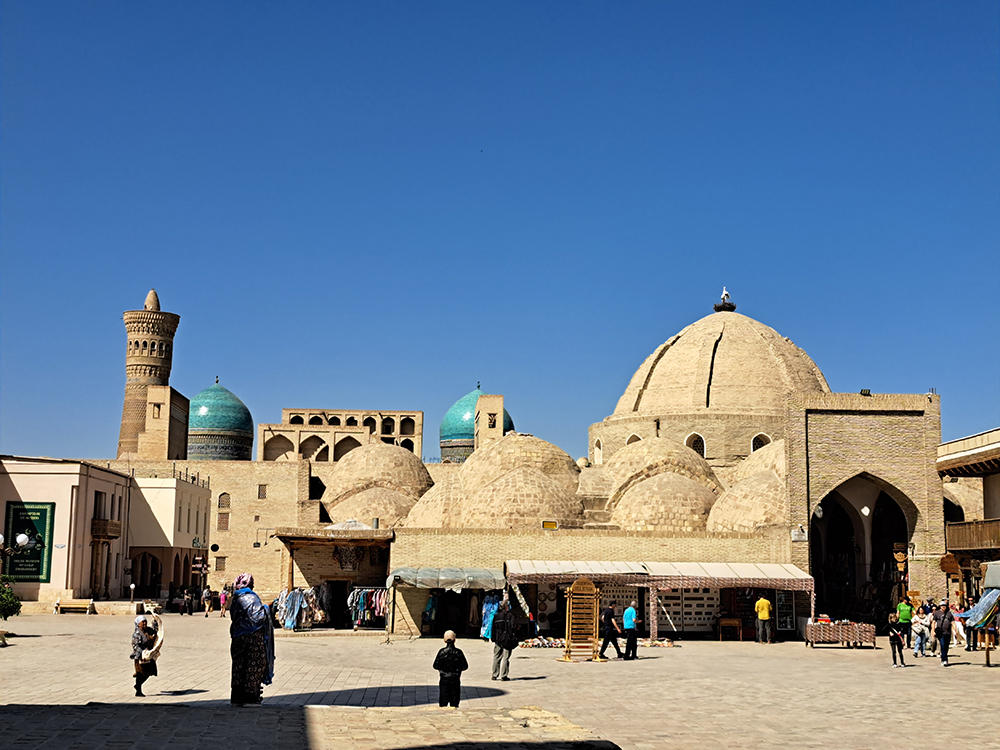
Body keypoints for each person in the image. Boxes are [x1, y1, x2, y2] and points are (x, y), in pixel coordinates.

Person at [228, 572, 275, 706]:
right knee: (254, 665)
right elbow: (258, 617)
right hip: (253, 637)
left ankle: (237, 697)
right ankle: (250, 697)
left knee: (238, 666)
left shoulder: (235, 599)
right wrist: (266, 607)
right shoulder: (252, 598)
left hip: (237, 636)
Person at [433, 630, 468, 708]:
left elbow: (435, 665)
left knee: (443, 700)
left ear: (444, 640)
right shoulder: (458, 652)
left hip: (444, 679)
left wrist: (443, 669)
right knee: (454, 702)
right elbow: (465, 666)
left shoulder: (442, 652)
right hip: (455, 679)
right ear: (454, 640)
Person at [130, 614, 163, 697]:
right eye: (143, 622)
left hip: (149, 655)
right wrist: (142, 654)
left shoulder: (148, 630)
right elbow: (135, 646)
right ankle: (138, 690)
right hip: (140, 656)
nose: (144, 623)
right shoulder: (137, 634)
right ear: (138, 624)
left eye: (145, 622)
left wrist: (155, 620)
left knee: (149, 672)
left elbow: (155, 631)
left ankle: (138, 685)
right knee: (140, 673)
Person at [490, 600, 518, 681]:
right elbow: (513, 627)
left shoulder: (496, 616)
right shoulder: (510, 616)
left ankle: (494, 674)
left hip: (498, 639)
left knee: (496, 657)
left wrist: (493, 638)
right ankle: (504, 675)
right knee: (505, 657)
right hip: (507, 639)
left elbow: (493, 628)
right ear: (507, 607)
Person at [931, 599, 955, 667]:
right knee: (942, 645)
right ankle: (944, 660)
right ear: (940, 606)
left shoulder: (949, 613)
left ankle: (944, 658)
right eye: (942, 606)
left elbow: (953, 622)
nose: (943, 607)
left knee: (946, 646)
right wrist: (933, 631)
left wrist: (955, 631)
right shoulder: (937, 613)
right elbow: (933, 622)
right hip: (940, 632)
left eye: (944, 605)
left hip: (948, 632)